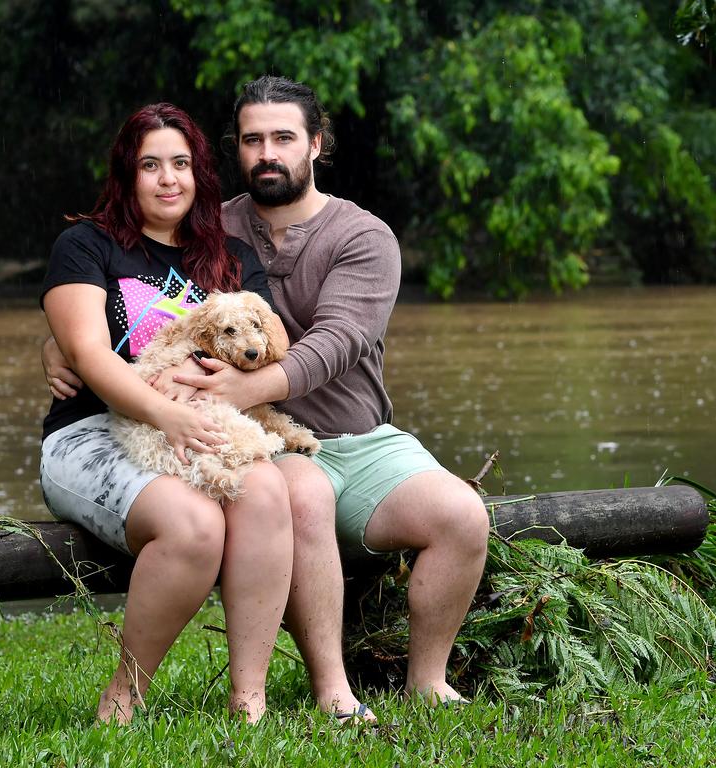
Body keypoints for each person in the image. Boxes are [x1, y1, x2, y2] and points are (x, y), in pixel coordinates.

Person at [45, 77, 489, 713]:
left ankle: (427, 680)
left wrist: (236, 384)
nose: (267, 153)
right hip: (248, 436)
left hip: (342, 433)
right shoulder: (206, 225)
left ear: (317, 144)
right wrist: (57, 347)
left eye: (283, 138)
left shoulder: (353, 238)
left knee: (464, 516)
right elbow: (101, 325)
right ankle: (331, 691)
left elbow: (336, 341)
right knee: (292, 491)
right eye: (253, 140)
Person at [39, 102, 293, 725]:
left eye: (180, 163)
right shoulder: (85, 246)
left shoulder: (232, 256)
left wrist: (193, 392)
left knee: (264, 491)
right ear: (128, 174)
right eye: (150, 165)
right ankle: (124, 696)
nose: (167, 178)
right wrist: (164, 408)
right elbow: (90, 356)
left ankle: (248, 698)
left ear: (199, 174)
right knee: (194, 526)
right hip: (93, 432)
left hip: (210, 421)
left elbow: (263, 350)